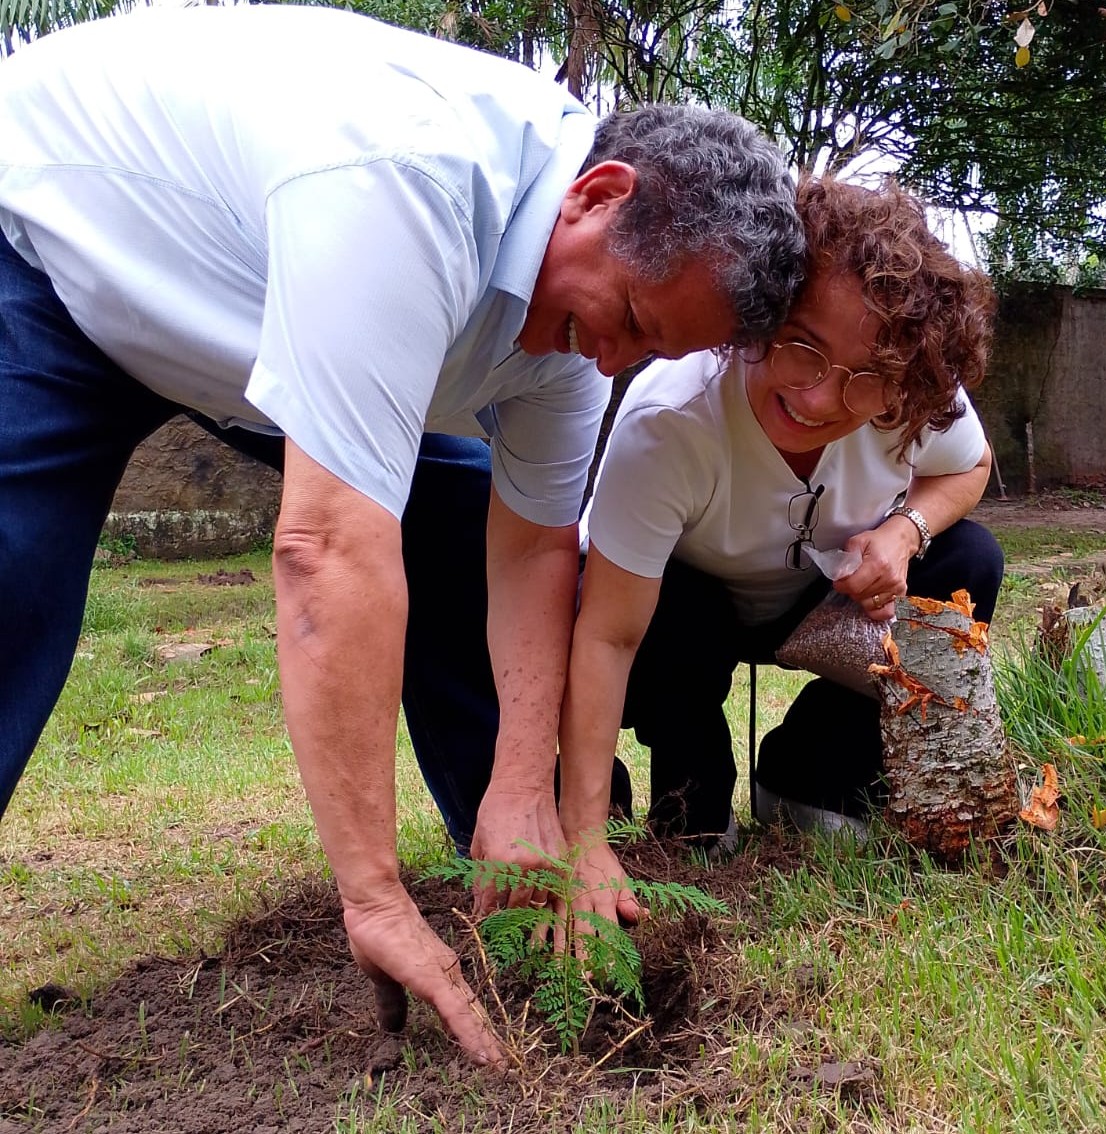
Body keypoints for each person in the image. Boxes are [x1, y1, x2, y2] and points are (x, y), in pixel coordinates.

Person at [0, 4, 806, 1062]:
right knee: (12, 585)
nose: (614, 369)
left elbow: (529, 547)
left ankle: (517, 873)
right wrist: (366, 891)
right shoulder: (408, 180)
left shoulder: (575, 330)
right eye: (636, 326)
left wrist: (528, 781)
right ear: (599, 201)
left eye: (650, 357)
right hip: (57, 249)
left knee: (459, 522)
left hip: (254, 329)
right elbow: (325, 549)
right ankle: (395, 906)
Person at [556, 175, 1004, 926]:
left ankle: (812, 776)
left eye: (864, 379)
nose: (822, 397)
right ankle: (690, 800)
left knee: (970, 561)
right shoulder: (671, 422)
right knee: (679, 604)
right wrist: (583, 833)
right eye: (803, 346)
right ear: (757, 314)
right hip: (682, 615)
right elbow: (607, 631)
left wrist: (905, 531)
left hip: (827, 597)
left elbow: (970, 466)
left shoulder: (916, 392)